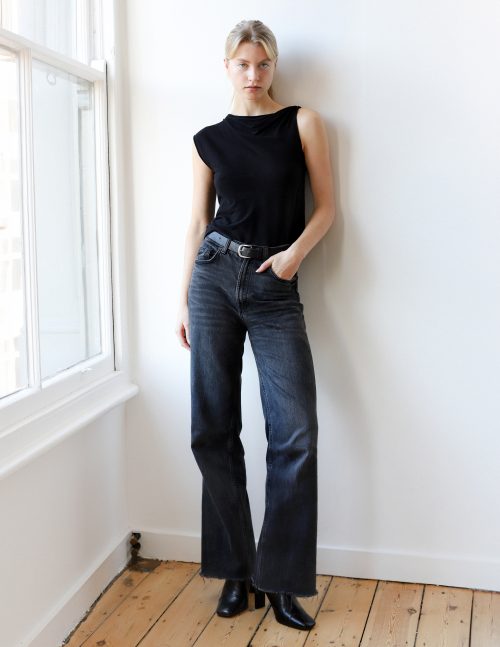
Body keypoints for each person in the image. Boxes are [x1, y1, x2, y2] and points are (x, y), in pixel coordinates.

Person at [175, 19, 335, 631]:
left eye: (263, 63)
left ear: (274, 66)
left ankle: (281, 581)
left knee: (296, 433)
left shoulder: (302, 122)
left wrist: (294, 255)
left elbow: (327, 207)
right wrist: (183, 300)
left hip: (275, 284)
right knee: (212, 428)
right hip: (213, 279)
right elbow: (197, 224)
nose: (254, 74)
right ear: (227, 66)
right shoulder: (207, 140)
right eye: (243, 63)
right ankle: (236, 571)